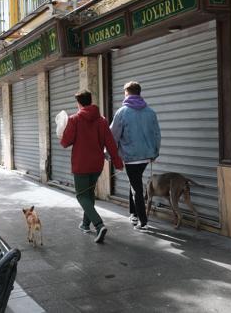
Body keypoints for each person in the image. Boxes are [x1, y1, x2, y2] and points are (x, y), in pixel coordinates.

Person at [60, 90, 123, 243]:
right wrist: (118, 162)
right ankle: (85, 224)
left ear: (79, 103)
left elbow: (65, 143)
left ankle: (99, 225)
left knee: (81, 196)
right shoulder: (102, 120)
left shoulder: (74, 120)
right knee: (89, 194)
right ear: (90, 100)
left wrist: (62, 132)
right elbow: (110, 143)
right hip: (96, 165)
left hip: (81, 164)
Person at [110, 81, 161, 232]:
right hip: (146, 156)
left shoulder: (122, 112)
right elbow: (157, 134)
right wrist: (155, 152)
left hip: (131, 157)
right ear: (139, 93)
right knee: (135, 182)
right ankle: (133, 214)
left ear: (127, 93)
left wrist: (109, 154)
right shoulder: (150, 112)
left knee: (136, 188)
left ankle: (143, 222)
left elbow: (112, 136)